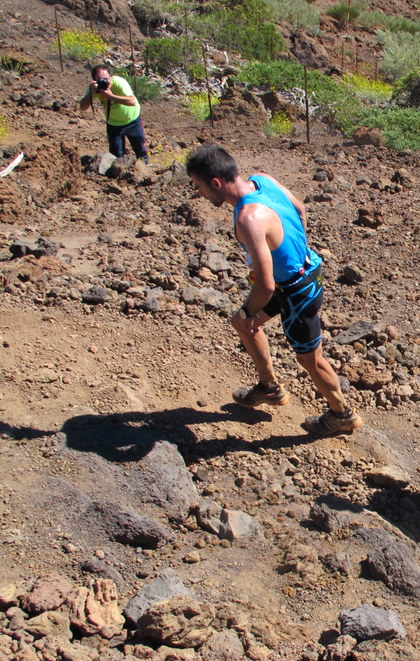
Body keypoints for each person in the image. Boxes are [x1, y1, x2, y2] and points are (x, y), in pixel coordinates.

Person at [186, 143, 362, 436]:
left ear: (216, 183)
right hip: (304, 272)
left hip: (296, 290)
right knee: (243, 324)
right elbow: (299, 209)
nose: (199, 193)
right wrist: (293, 249)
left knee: (310, 359)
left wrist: (249, 308)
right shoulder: (262, 180)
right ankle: (269, 387)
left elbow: (265, 285)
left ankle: (341, 415)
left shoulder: (248, 218)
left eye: (199, 186)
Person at [79, 65, 148, 163]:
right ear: (95, 80)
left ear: (110, 77)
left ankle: (144, 172)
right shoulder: (95, 88)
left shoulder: (119, 82)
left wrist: (111, 96)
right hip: (114, 124)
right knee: (116, 157)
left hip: (132, 120)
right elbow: (82, 107)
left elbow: (132, 101)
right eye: (100, 80)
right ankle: (118, 176)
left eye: (106, 79)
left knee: (141, 152)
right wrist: (92, 93)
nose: (105, 82)